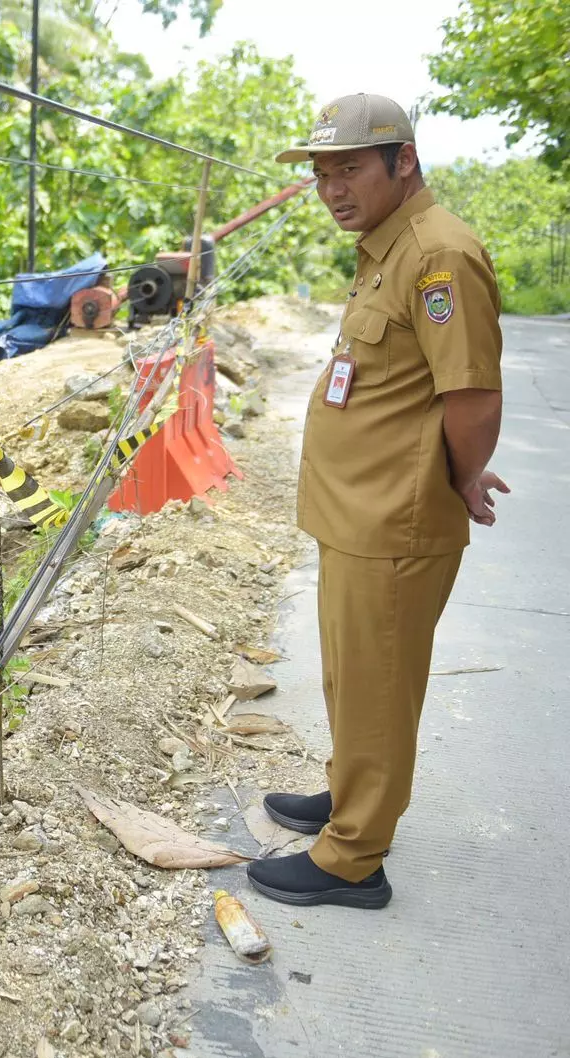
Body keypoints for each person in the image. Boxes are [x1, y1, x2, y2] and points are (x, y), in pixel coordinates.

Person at [248, 94, 508, 908]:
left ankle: (354, 857)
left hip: (392, 518)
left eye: (350, 168)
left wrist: (463, 476)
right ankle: (350, 791)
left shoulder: (438, 257)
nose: (333, 188)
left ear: (404, 161)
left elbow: (471, 401)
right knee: (351, 677)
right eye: (323, 174)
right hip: (354, 513)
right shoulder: (385, 247)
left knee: (379, 682)